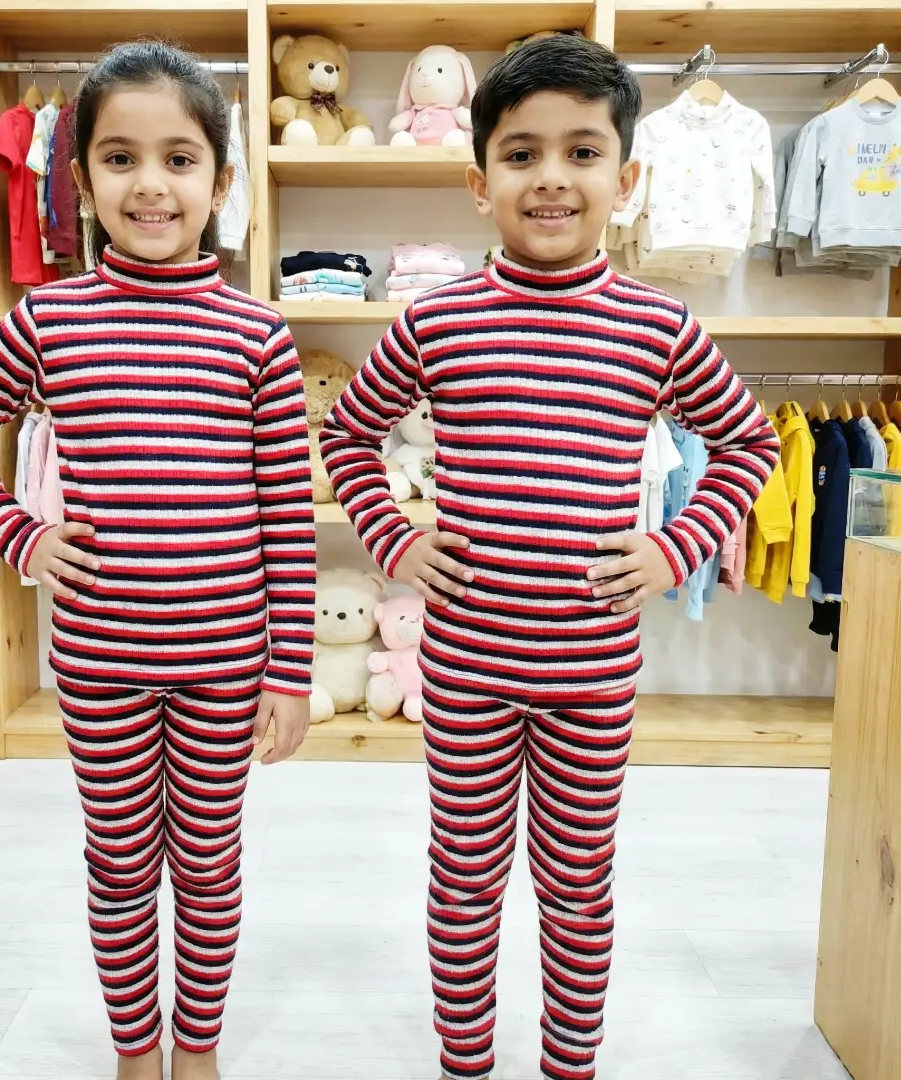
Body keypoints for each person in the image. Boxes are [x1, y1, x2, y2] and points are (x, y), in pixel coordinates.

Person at [321, 35, 781, 1080]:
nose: (552, 178)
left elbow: (749, 444)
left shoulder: (659, 327)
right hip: (468, 667)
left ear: (627, 178)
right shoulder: (435, 323)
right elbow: (347, 434)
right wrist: (396, 536)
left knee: (578, 882)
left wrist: (676, 548)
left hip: (592, 670)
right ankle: (465, 1059)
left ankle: (571, 1062)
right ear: (479, 182)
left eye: (582, 152)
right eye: (521, 154)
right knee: (464, 878)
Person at [0, 42, 316, 1080]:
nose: (151, 185)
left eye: (180, 159)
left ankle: (200, 1047)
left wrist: (290, 673)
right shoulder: (47, 321)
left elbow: (286, 516)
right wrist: (26, 535)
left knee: (210, 864)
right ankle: (136, 1051)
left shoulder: (258, 337)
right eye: (120, 158)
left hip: (226, 662)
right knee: (121, 863)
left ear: (220, 184)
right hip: (99, 662)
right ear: (81, 178)